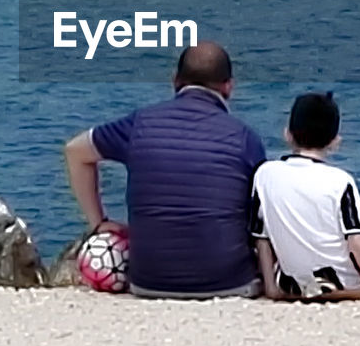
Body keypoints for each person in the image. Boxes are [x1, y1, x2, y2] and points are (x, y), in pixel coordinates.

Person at [63, 41, 266, 298]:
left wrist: (99, 222)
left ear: (174, 80)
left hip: (148, 282)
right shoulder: (244, 137)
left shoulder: (140, 124)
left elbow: (75, 152)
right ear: (229, 87)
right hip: (228, 283)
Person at [249, 92, 360, 301]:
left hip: (290, 284)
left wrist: (271, 288)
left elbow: (261, 237)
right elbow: (357, 240)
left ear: (287, 134)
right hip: (340, 283)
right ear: (334, 141)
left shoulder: (265, 174)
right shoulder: (340, 181)